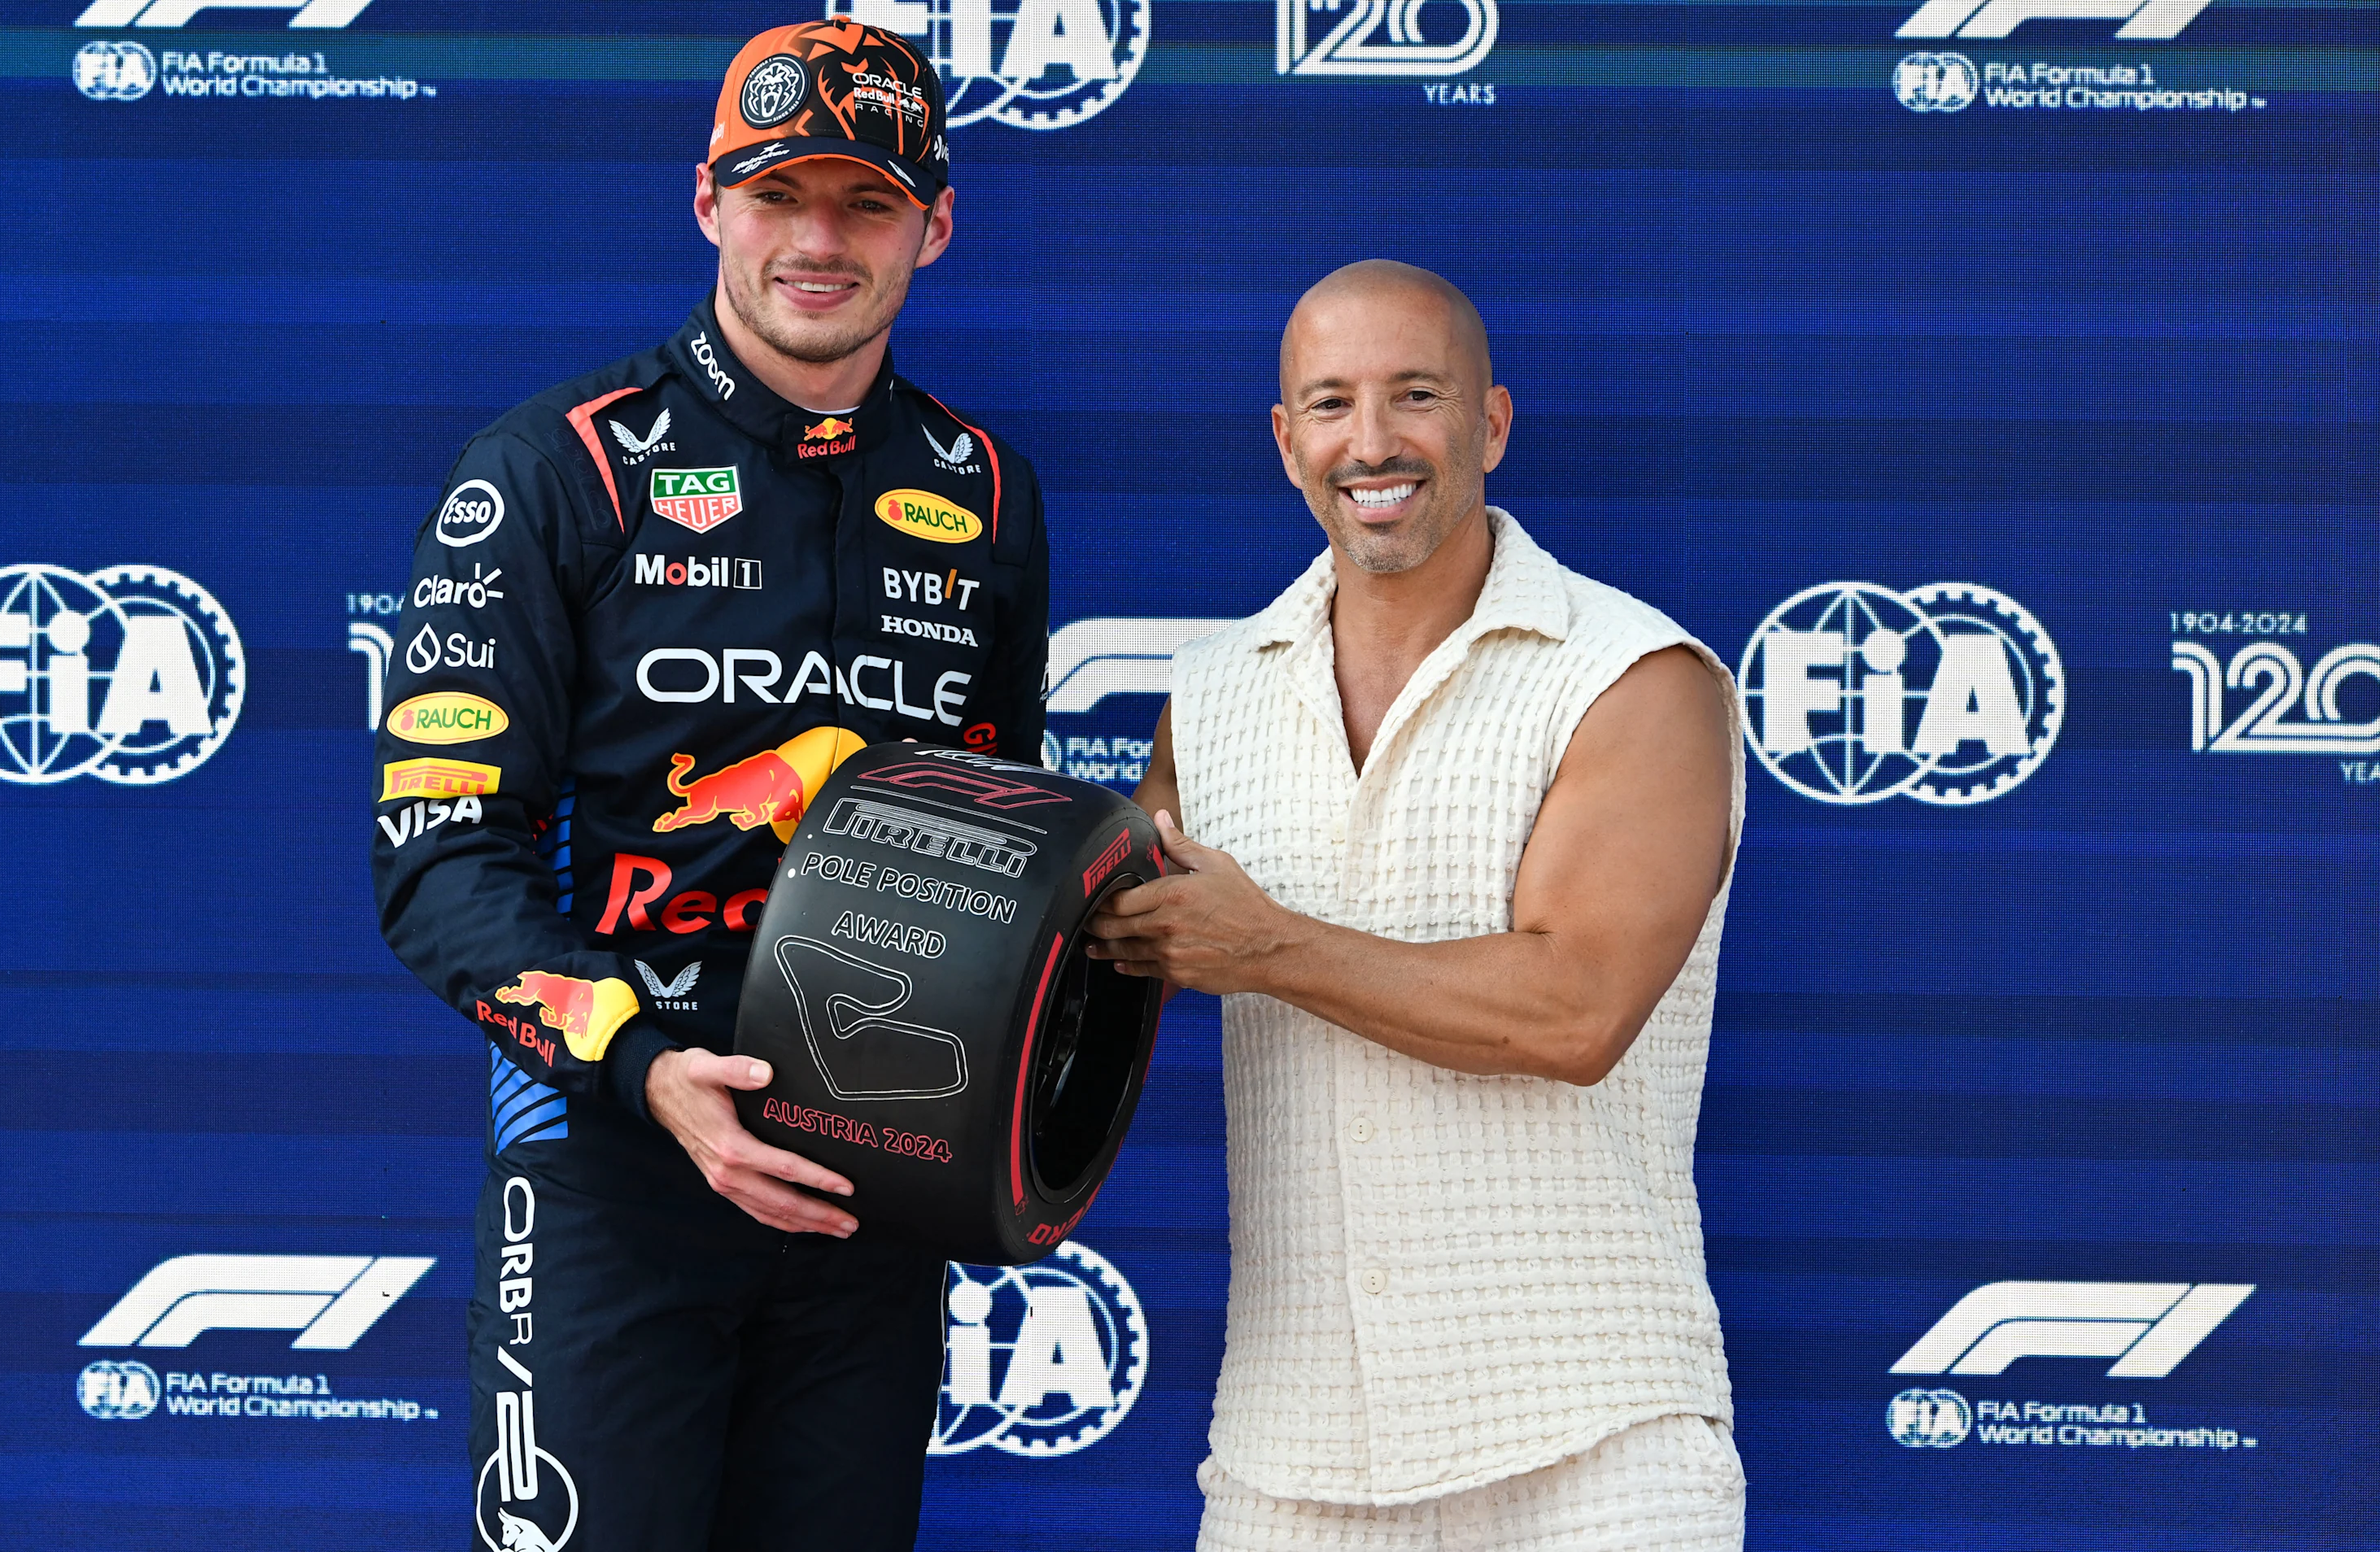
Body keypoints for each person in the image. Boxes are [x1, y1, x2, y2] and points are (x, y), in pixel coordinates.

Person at [369, 21, 1049, 1551]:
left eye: (868, 202)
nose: (819, 240)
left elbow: (997, 852)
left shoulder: (987, 492)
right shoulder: (554, 471)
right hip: (611, 1167)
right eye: (777, 194)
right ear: (707, 203)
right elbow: (441, 869)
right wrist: (642, 1068)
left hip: (871, 1194)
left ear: (936, 227)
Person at [1091, 260, 1746, 1549]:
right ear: (1286, 441)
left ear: (1491, 423)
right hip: (1292, 1460)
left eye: (1417, 396)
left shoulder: (1634, 675)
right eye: (1331, 403)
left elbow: (1574, 1012)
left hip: (1598, 1448)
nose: (1373, 442)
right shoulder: (1209, 696)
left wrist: (1269, 947)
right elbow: (1095, 965)